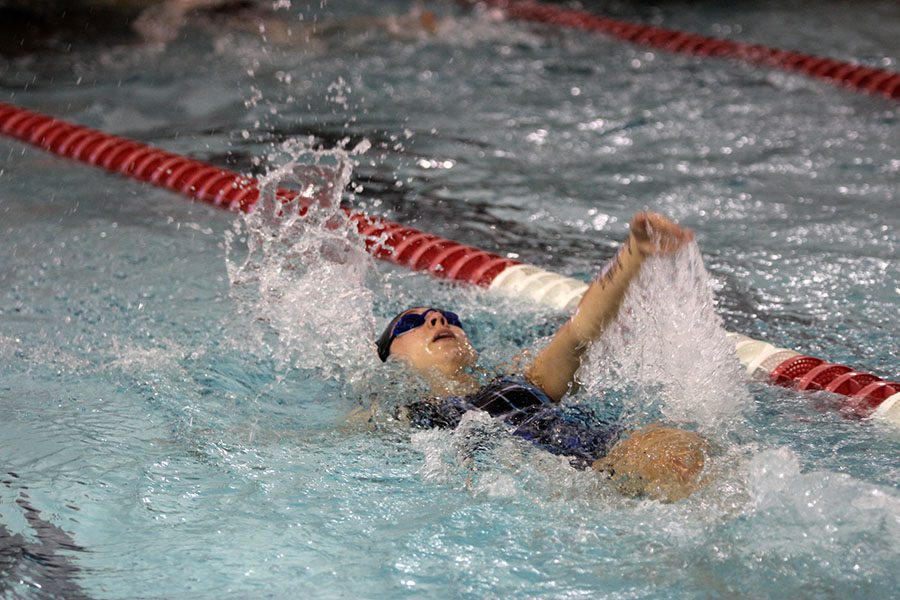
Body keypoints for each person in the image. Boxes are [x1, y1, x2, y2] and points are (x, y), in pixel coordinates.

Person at [374, 212, 709, 502]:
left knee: (670, 445)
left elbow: (580, 331)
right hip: (557, 492)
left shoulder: (524, 382)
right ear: (392, 358)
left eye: (449, 317)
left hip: (607, 467)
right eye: (411, 322)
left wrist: (635, 252)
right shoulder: (402, 418)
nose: (438, 320)